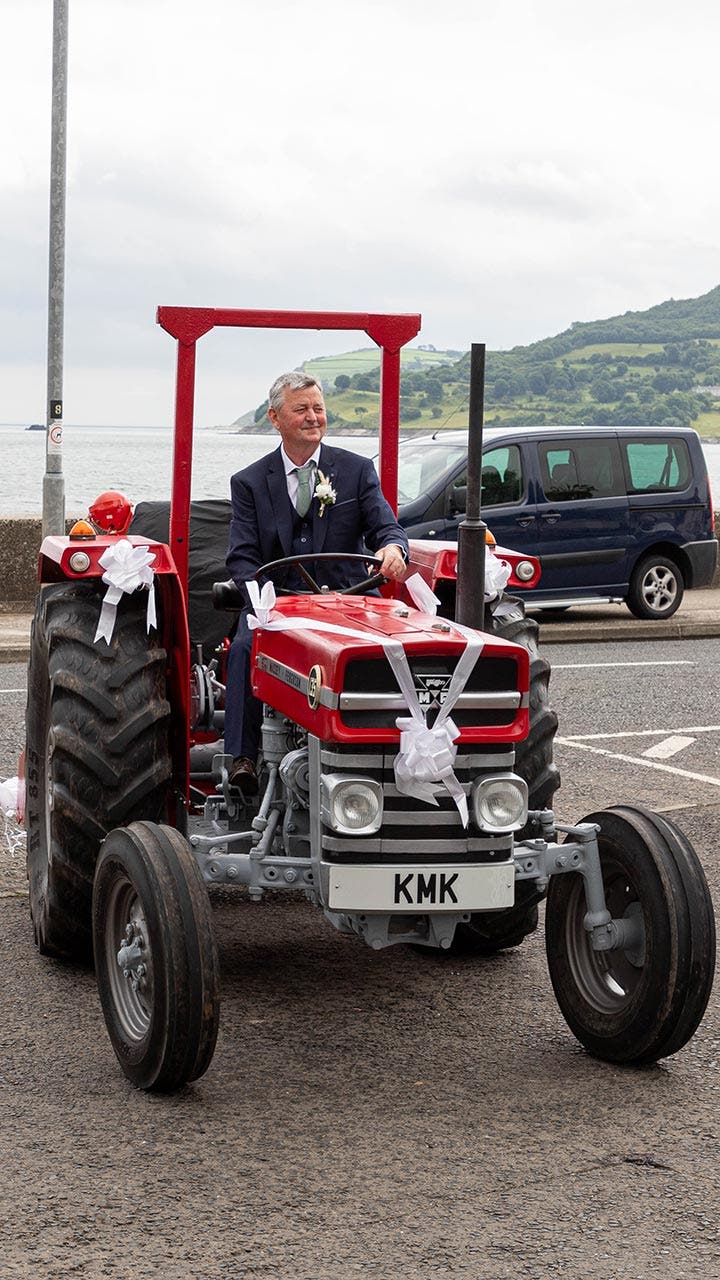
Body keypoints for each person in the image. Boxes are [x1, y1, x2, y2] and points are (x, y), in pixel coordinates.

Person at [224, 371, 409, 794]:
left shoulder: (357, 470)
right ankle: (243, 759)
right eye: (301, 409)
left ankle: (401, 754)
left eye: (318, 408)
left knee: (400, 650)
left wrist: (394, 550)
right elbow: (243, 557)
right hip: (281, 605)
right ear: (275, 417)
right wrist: (262, 603)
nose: (313, 417)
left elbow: (387, 529)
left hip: (353, 604)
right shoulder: (250, 482)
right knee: (243, 648)